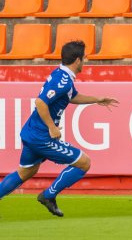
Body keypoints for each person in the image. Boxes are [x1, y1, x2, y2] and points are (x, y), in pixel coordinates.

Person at [0, 41, 119, 217]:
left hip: (33, 133)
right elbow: (40, 102)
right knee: (83, 162)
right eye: (85, 56)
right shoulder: (62, 80)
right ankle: (48, 195)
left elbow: (73, 96)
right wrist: (52, 127)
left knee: (26, 171)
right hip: (42, 137)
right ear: (77, 60)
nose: (86, 59)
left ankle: (47, 196)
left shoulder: (64, 76)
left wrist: (97, 99)